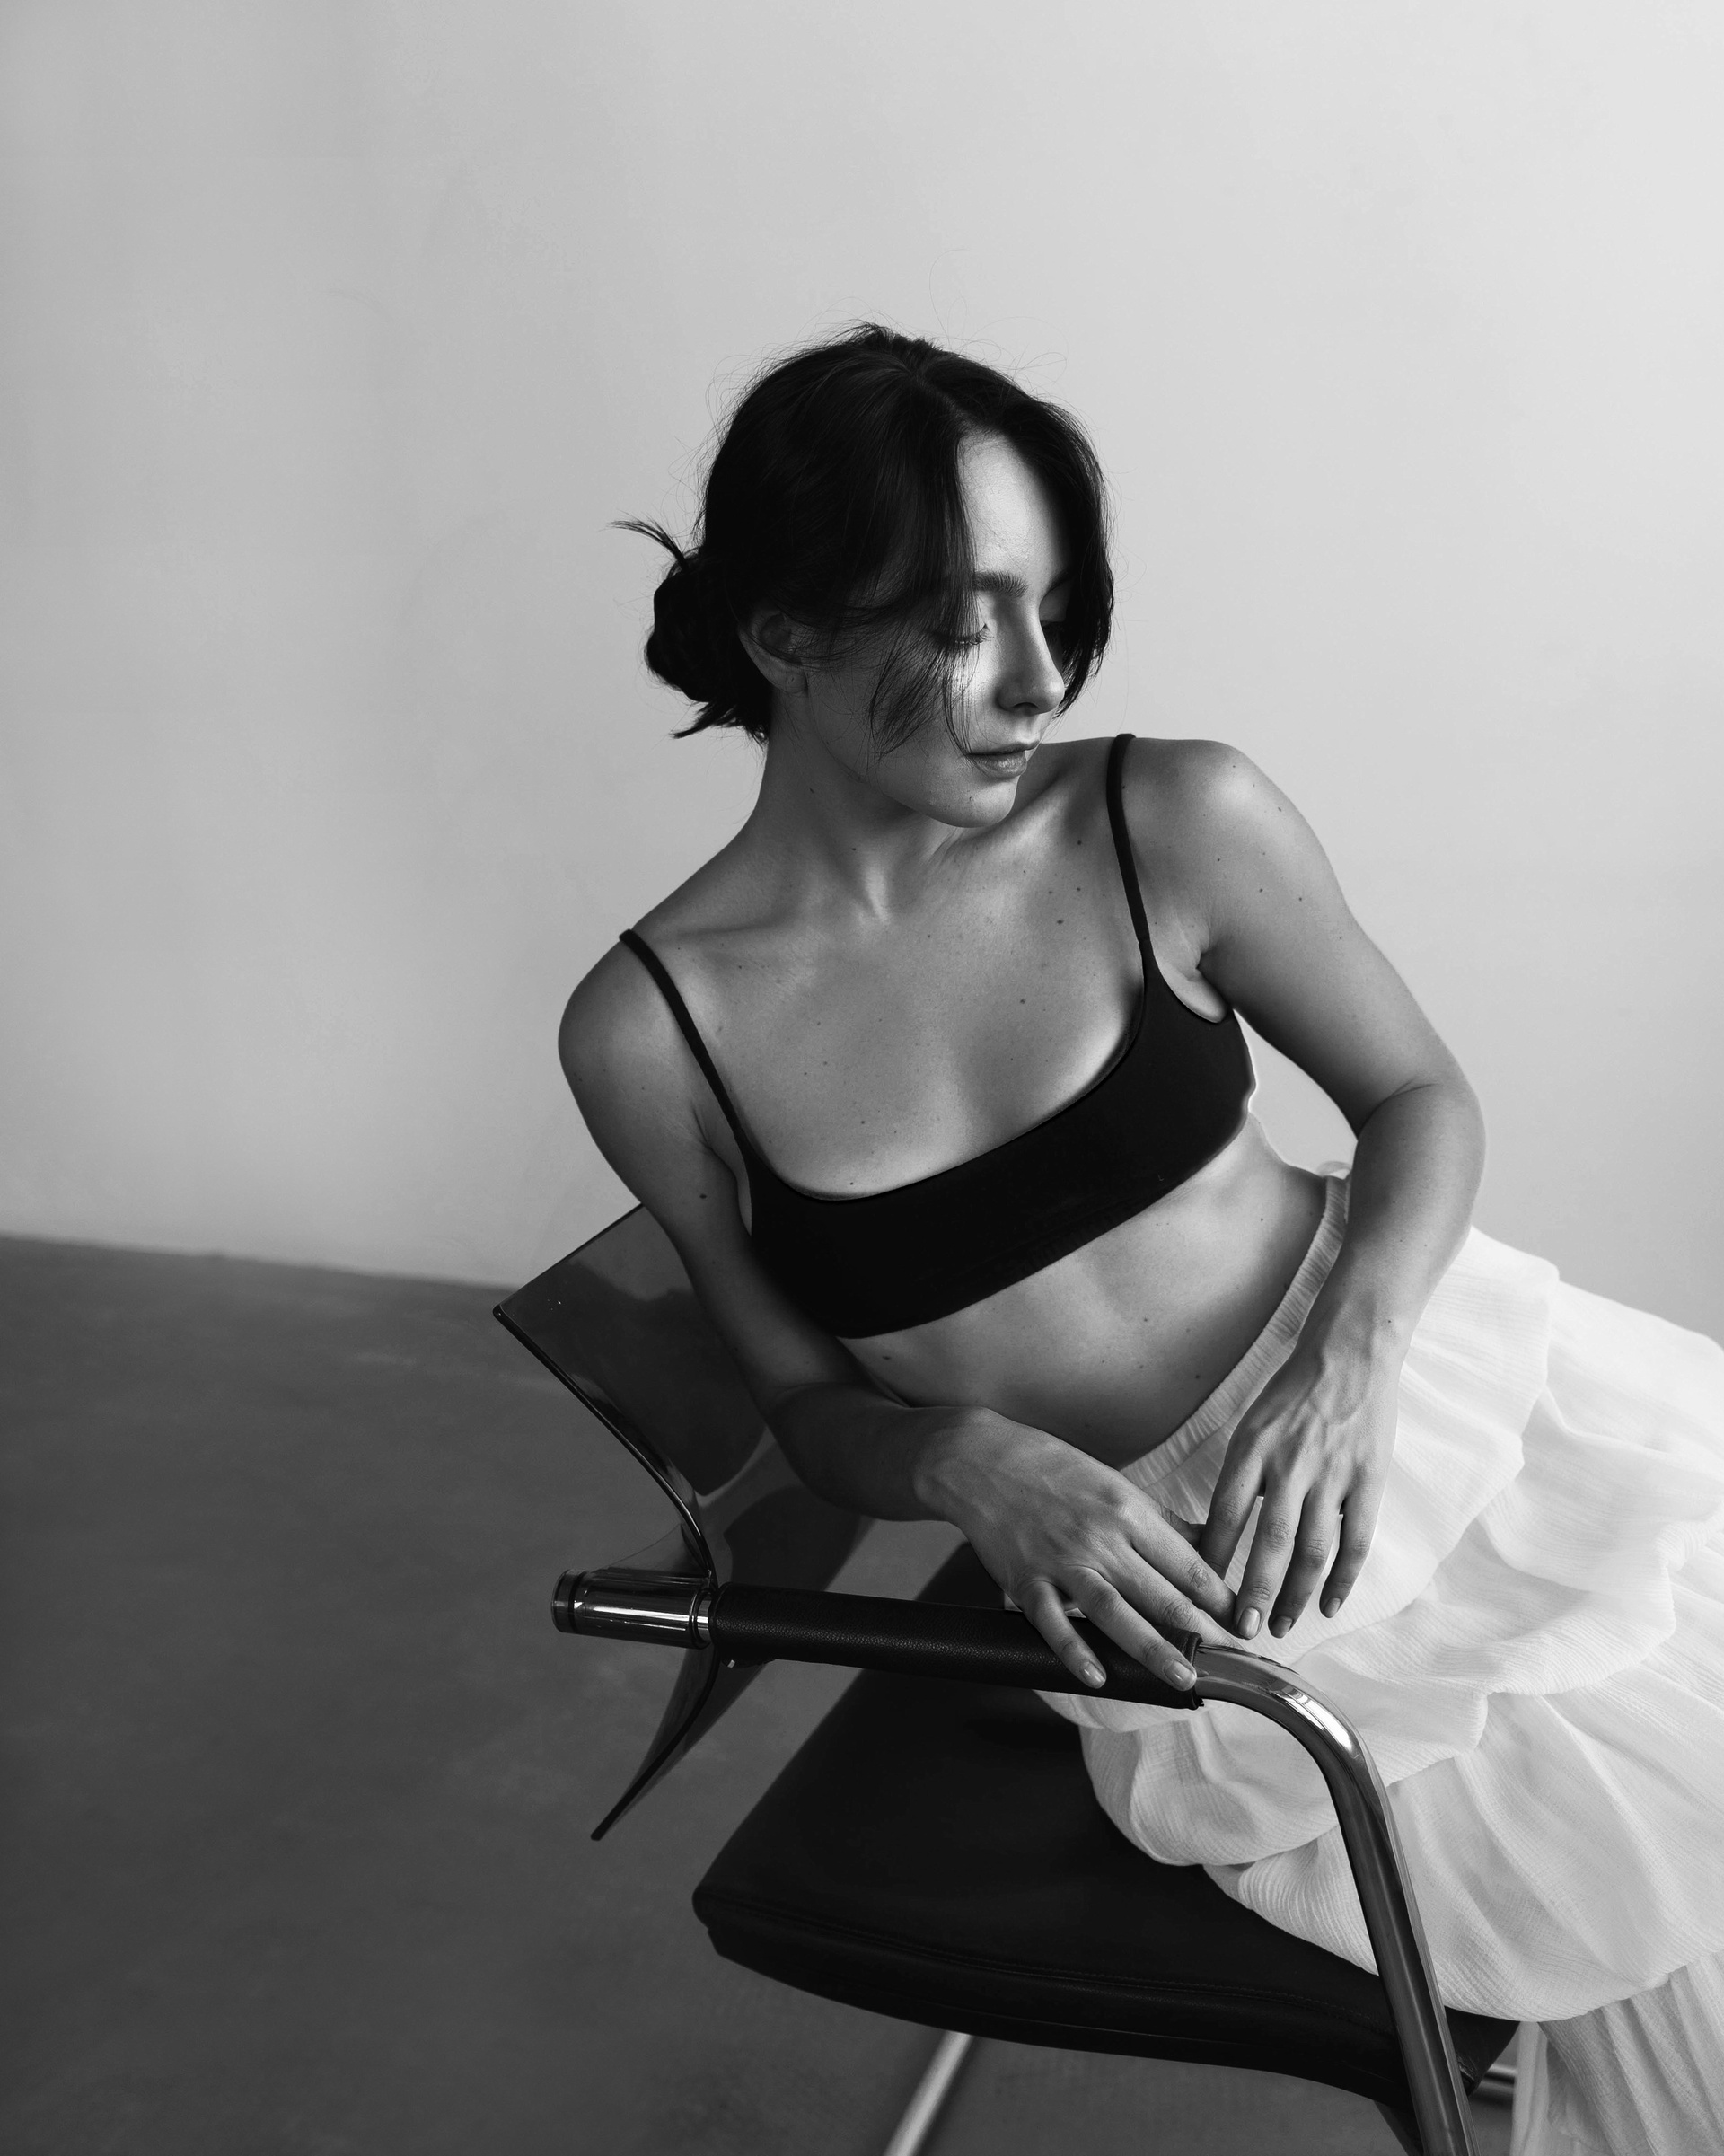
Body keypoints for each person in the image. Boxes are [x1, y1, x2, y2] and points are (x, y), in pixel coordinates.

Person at [561, 325, 1724, 2154]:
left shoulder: (1171, 817)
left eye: (1055, 609)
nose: (1037, 678)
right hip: (1203, 1594)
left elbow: (1418, 1097)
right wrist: (962, 1457)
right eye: (961, 621)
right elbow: (802, 1403)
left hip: (1441, 1392)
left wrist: (1349, 1359)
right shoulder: (652, 1033)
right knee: (1644, 1923)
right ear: (783, 634)